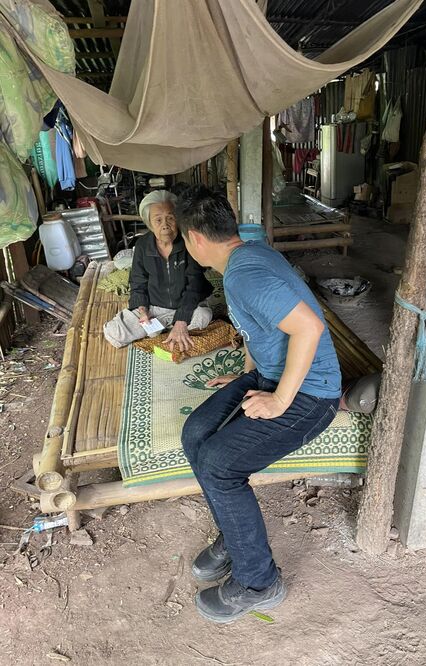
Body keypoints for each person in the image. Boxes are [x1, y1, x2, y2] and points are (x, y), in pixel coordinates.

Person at [175, 186, 342, 623]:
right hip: (269, 374)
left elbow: (308, 328)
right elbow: (258, 328)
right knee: (196, 433)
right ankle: (234, 538)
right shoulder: (243, 257)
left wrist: (280, 399)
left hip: (311, 393)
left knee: (219, 465)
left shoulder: (244, 273)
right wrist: (247, 374)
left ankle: (259, 583)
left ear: (195, 239)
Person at [104, 190, 213, 350]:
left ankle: (168, 329)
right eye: (158, 220)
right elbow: (138, 282)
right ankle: (166, 329)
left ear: (178, 219)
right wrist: (143, 311)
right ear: (150, 223)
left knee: (204, 316)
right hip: (155, 308)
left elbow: (194, 285)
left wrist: (181, 320)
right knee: (115, 332)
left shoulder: (188, 242)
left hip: (186, 305)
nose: (165, 225)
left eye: (170, 218)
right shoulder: (142, 245)